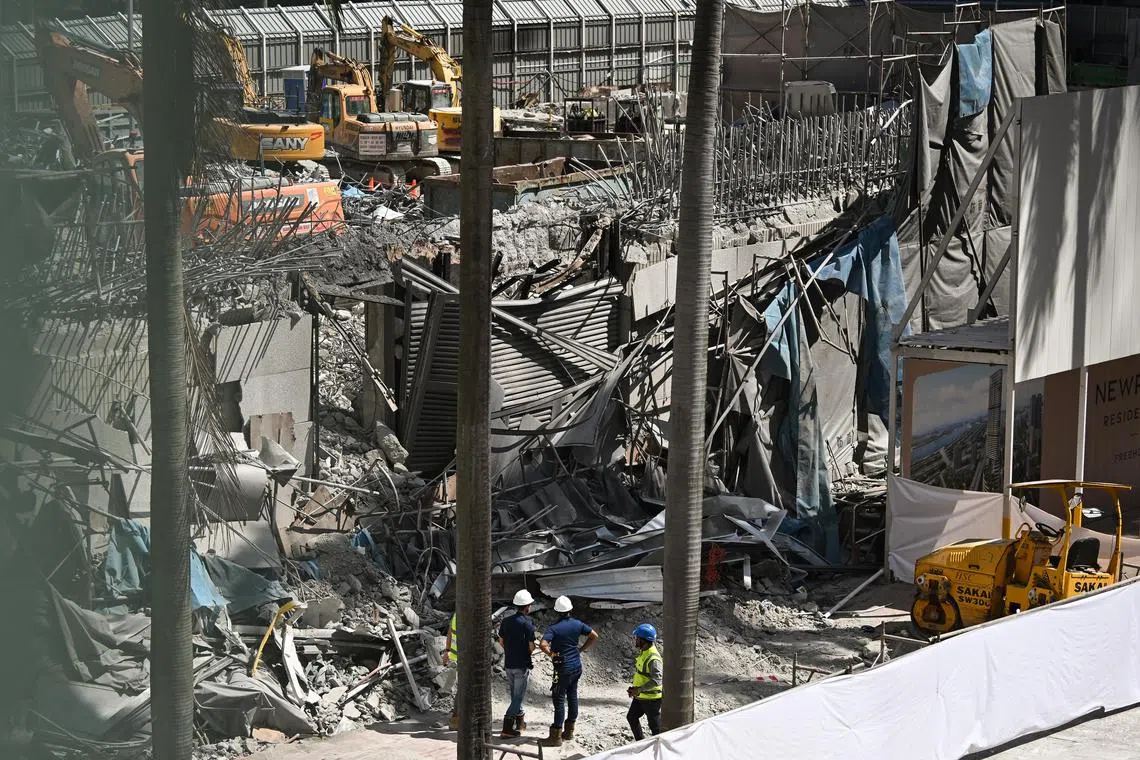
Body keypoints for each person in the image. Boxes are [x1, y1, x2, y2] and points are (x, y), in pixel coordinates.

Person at [538, 596, 598, 747]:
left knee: (558, 699)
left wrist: (551, 654)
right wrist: (581, 650)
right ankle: (569, 731)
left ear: (557, 611)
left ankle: (556, 736)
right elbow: (594, 636)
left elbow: (542, 644)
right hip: (576, 667)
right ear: (570, 610)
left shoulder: (554, 628)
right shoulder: (578, 624)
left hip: (562, 669)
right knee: (572, 696)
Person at [497, 589, 537, 737]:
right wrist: (527, 652)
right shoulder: (528, 623)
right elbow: (531, 646)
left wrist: (511, 650)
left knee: (515, 695)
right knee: (518, 697)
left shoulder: (506, 622)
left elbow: (501, 641)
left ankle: (520, 723)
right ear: (527, 606)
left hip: (509, 664)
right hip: (522, 665)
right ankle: (507, 728)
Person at [626, 623, 663, 741]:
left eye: (637, 638)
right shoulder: (644, 651)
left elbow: (657, 679)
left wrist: (639, 689)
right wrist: (635, 689)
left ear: (644, 640)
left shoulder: (653, 658)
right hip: (641, 696)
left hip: (651, 699)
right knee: (631, 717)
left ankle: (660, 748)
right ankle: (641, 743)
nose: (635, 640)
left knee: (655, 727)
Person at [438, 611, 459, 730]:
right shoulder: (468, 615)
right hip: (465, 658)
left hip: (456, 656)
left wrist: (447, 650)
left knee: (461, 690)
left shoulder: (457, 614)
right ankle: (456, 719)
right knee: (463, 691)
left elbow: (450, 631)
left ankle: (456, 719)